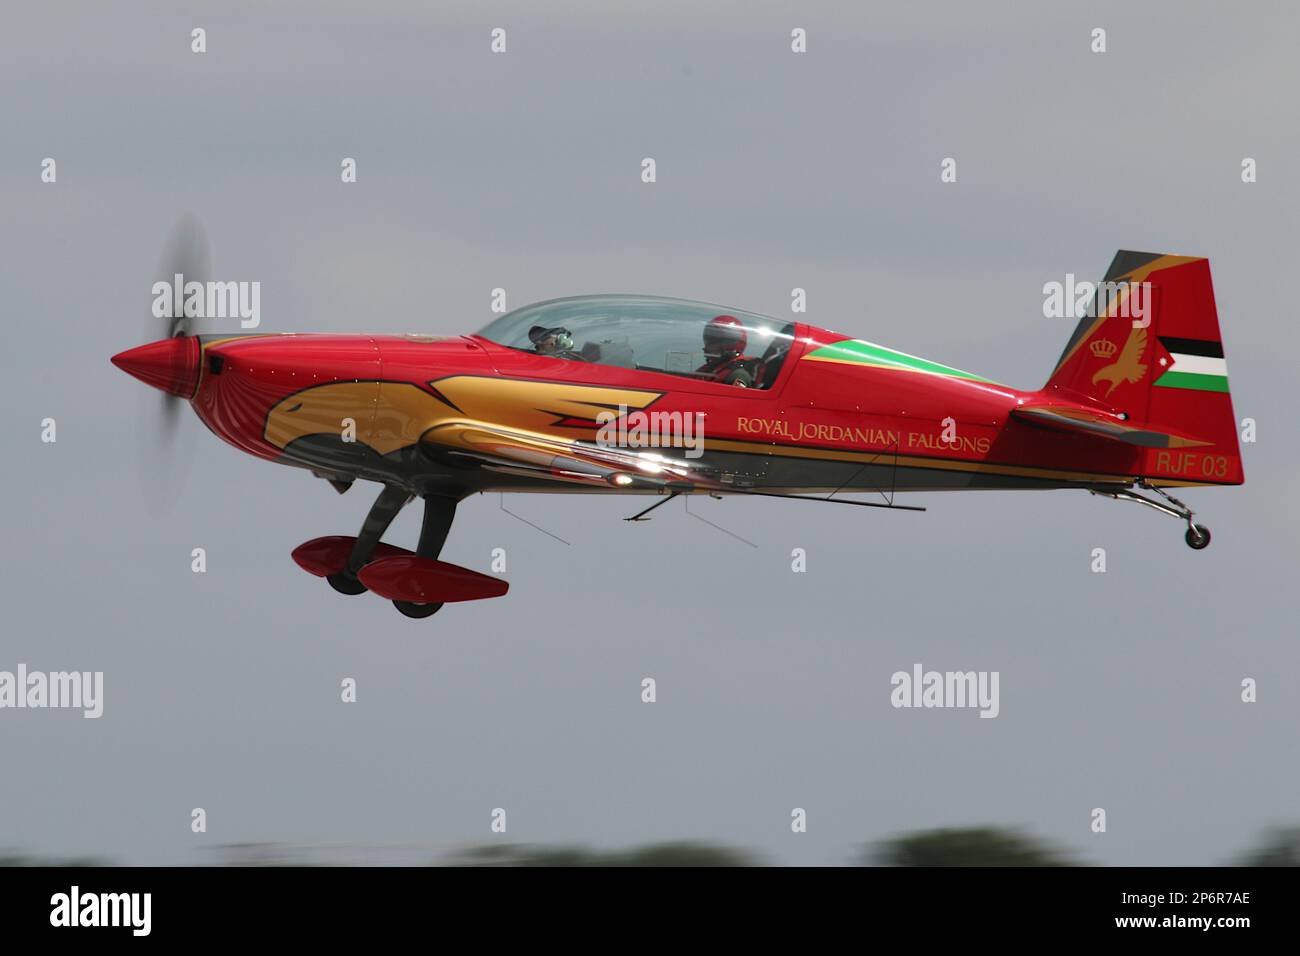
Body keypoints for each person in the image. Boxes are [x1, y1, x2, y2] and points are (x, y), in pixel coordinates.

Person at [697, 314, 754, 387]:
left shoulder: (737, 375)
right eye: (708, 338)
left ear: (729, 344)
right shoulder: (710, 368)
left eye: (712, 340)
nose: (708, 345)